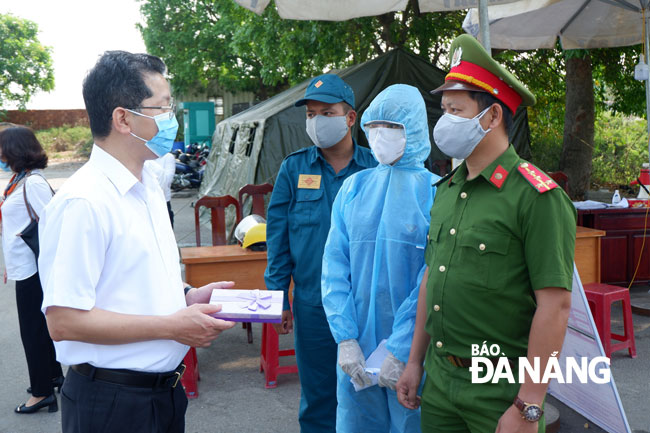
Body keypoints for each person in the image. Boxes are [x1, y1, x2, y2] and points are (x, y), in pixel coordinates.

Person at [38, 51, 236, 433]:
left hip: (161, 395)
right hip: (112, 403)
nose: (171, 118)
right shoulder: (84, 201)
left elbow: (133, 275)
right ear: (123, 118)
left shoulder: (145, 185)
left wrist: (186, 296)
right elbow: (64, 321)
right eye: (162, 108)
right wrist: (171, 326)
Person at [396, 35, 577, 433]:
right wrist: (414, 362)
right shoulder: (445, 191)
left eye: (456, 110)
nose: (444, 121)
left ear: (493, 117)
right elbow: (432, 278)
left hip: (499, 387)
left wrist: (529, 404)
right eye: (443, 110)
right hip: (440, 381)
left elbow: (556, 307)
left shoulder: (536, 197)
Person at [321, 84, 439, 432]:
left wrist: (404, 348)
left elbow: (432, 279)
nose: (380, 135)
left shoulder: (436, 193)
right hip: (357, 350)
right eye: (374, 127)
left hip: (417, 352)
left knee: (412, 422)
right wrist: (345, 338)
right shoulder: (353, 189)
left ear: (414, 129)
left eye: (392, 127)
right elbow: (334, 268)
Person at [265, 73, 376, 432]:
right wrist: (279, 297)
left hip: (366, 305)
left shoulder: (376, 169)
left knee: (368, 394)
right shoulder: (294, 168)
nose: (316, 122)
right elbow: (278, 238)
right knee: (317, 399)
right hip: (313, 306)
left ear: (350, 118)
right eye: (311, 114)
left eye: (326, 112)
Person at [0, 126, 63, 414]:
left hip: (33, 270)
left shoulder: (33, 184)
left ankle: (41, 393)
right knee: (39, 328)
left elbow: (53, 226)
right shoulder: (19, 179)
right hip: (23, 267)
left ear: (13, 150)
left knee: (32, 332)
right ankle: (51, 376)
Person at [145, 151, 176, 227]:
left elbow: (167, 181)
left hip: (163, 200)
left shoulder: (168, 157)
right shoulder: (143, 157)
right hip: (145, 202)